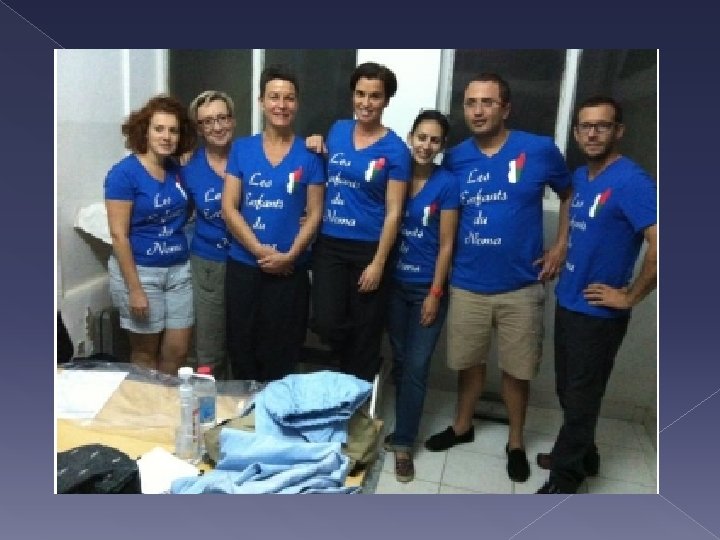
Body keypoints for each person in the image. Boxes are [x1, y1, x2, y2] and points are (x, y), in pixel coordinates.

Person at [423, 73, 572, 484]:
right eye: (471, 102)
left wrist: (561, 245)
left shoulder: (539, 150)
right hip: (468, 283)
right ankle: (462, 426)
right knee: (469, 363)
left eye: (487, 102)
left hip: (521, 286)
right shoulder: (455, 159)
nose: (477, 110)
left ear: (505, 108)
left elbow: (569, 193)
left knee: (517, 371)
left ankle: (516, 442)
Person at [536, 96, 657, 494]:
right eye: (585, 126)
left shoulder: (632, 181)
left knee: (582, 396)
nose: (592, 133)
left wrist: (630, 297)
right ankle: (583, 455)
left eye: (601, 126)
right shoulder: (582, 176)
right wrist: (560, 246)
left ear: (618, 131)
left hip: (598, 315)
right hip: (569, 301)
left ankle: (565, 479)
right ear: (576, 132)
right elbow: (572, 212)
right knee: (569, 390)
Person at [306, 61, 411, 382]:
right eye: (360, 94)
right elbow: (323, 174)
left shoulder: (396, 150)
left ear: (386, 100)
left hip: (370, 249)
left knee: (366, 332)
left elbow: (394, 211)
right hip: (330, 244)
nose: (366, 103)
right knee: (326, 321)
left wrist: (378, 263)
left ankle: (358, 394)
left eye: (374, 96)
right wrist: (314, 144)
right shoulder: (338, 130)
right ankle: (344, 370)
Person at [221, 66, 325, 382]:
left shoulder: (310, 154)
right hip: (244, 267)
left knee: (282, 353)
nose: (281, 105)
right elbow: (229, 207)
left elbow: (315, 213)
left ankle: (276, 411)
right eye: (274, 97)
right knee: (242, 350)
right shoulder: (242, 149)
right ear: (261, 101)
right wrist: (259, 251)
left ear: (297, 103)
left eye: (289, 98)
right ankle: (245, 411)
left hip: (291, 272)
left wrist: (289, 256)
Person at [383, 110, 459, 483]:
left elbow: (446, 245)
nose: (426, 146)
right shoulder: (395, 174)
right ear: (410, 137)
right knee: (399, 361)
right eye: (421, 137)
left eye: (434, 140)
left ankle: (403, 443)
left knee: (416, 366)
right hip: (393, 286)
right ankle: (402, 426)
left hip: (426, 289)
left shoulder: (447, 184)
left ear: (442, 146)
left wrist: (435, 292)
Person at [105, 95, 197, 375]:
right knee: (145, 354)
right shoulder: (123, 174)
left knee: (177, 350)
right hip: (141, 273)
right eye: (159, 129)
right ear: (144, 131)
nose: (166, 136)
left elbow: (186, 210)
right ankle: (146, 403)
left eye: (173, 130)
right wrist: (135, 289)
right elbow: (119, 235)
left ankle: (165, 401)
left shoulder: (176, 171)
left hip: (178, 271)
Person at [184, 90, 236, 379]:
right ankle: (208, 403)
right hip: (209, 264)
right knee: (210, 349)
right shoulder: (188, 168)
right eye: (207, 122)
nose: (217, 127)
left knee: (245, 343)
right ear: (199, 129)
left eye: (222, 118)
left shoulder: (250, 156)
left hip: (249, 262)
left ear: (233, 120)